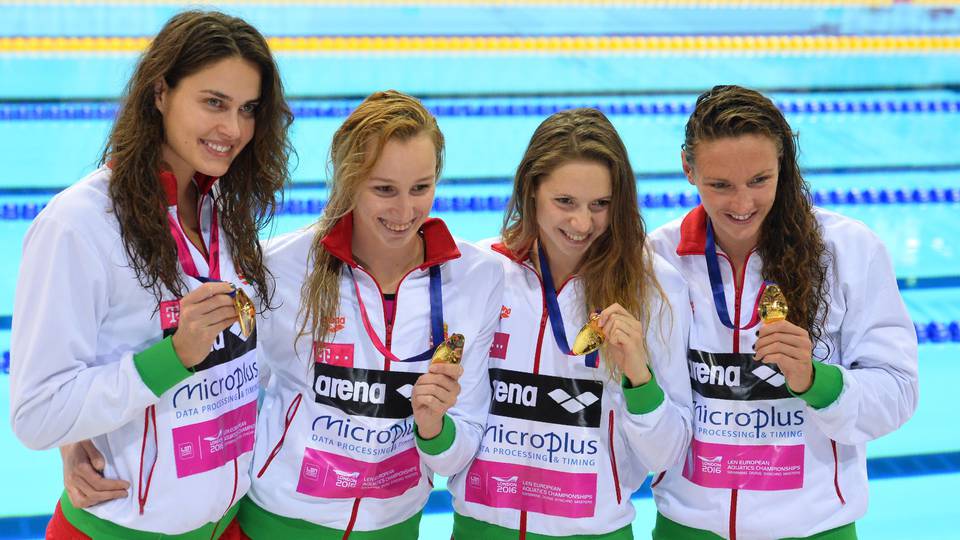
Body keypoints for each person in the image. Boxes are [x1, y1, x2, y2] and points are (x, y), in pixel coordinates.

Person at [10, 10, 293, 538]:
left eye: (248, 109)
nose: (234, 130)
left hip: (225, 526)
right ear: (161, 92)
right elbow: (38, 412)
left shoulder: (221, 210)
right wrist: (172, 358)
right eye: (214, 102)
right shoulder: (78, 225)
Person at [647, 85, 919, 540]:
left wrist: (816, 381)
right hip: (688, 527)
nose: (742, 204)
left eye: (759, 180)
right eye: (720, 185)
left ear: (783, 167)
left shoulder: (847, 250)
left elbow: (898, 391)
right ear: (687, 169)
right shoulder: (656, 259)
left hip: (814, 528)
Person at [237, 90, 504, 538]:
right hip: (277, 525)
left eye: (421, 188)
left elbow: (459, 451)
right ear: (349, 181)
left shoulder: (475, 279)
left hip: (394, 528)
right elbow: (226, 394)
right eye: (384, 189)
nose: (405, 211)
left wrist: (434, 429)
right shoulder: (281, 267)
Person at [449, 108, 693, 539]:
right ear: (531, 189)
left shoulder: (654, 287)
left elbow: (666, 455)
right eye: (565, 202)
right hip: (481, 529)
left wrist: (639, 378)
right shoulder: (481, 272)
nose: (583, 223)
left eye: (601, 205)